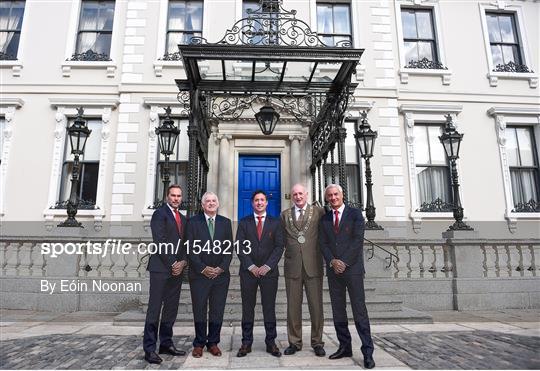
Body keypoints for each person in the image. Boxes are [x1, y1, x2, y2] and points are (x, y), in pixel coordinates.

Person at [319, 184, 375, 369]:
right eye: (330, 196)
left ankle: (367, 352)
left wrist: (343, 262)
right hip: (334, 271)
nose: (333, 198)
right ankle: (345, 347)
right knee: (338, 310)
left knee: (359, 310)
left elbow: (357, 240)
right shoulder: (325, 218)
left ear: (342, 195)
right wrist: (333, 261)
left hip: (353, 270)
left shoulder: (355, 214)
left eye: (336, 194)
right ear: (327, 198)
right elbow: (323, 243)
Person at [236, 190, 284, 358]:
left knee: (269, 308)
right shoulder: (244, 222)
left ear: (266, 203)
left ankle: (271, 342)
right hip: (248, 273)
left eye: (262, 200)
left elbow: (279, 247)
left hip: (269, 274)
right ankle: (246, 342)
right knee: (247, 308)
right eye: (256, 200)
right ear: (252, 203)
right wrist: (250, 266)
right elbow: (239, 247)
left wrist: (267, 266)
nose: (259, 203)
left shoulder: (276, 223)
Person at [143, 184, 187, 364]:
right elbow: (159, 241)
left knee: (171, 309)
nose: (176, 198)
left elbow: (186, 244)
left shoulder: (183, 219)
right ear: (167, 197)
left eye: (178, 196)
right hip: (161, 269)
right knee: (154, 310)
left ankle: (166, 343)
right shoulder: (159, 214)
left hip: (177, 271)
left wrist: (183, 262)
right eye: (173, 195)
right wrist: (173, 263)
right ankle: (149, 349)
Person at [185, 191, 233, 358]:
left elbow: (229, 249)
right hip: (199, 275)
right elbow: (190, 247)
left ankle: (213, 343)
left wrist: (221, 268)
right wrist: (202, 268)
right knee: (199, 309)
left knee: (217, 310)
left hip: (220, 276)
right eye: (208, 201)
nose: (211, 203)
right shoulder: (192, 222)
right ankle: (199, 343)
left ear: (218, 204)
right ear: (202, 205)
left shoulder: (225, 223)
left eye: (214, 201)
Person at [280, 183, 326, 357]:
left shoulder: (319, 212)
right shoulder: (284, 215)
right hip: (293, 266)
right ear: (291, 197)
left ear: (306, 194)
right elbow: (282, 239)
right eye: (295, 194)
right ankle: (294, 342)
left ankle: (317, 342)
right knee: (293, 307)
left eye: (301, 194)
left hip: (313, 264)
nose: (298, 197)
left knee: (316, 306)